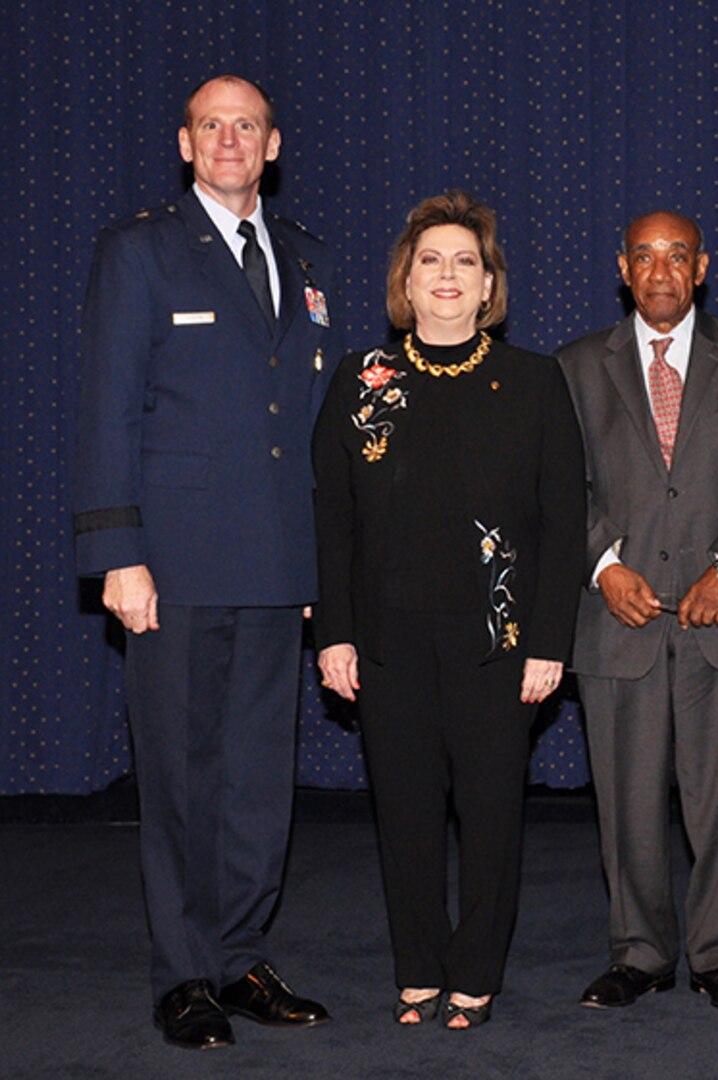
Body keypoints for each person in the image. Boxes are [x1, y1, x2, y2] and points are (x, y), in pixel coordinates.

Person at [73, 74, 339, 1051]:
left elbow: (307, 430)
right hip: (172, 568)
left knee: (260, 777)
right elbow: (107, 409)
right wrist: (117, 555)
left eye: (248, 125)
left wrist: (321, 568)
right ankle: (183, 973)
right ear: (186, 144)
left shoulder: (305, 262)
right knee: (182, 774)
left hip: (277, 568)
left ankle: (238, 955)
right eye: (212, 125)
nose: (230, 139)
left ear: (271, 147)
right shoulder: (140, 252)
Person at [313, 191, 585, 1031]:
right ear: (406, 278)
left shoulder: (535, 380)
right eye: (430, 259)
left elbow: (564, 521)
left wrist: (548, 643)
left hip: (497, 644)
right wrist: (335, 635)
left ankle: (475, 973)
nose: (447, 274)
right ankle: (416, 968)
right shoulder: (364, 378)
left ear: (488, 284)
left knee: (493, 815)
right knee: (404, 815)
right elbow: (332, 518)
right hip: (387, 642)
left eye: (465, 260)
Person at [558, 211, 718, 1013]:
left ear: (701, 268)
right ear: (621, 269)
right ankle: (639, 953)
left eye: (677, 256)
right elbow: (560, 488)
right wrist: (603, 566)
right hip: (616, 621)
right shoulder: (573, 367)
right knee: (625, 802)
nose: (660, 271)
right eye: (643, 257)